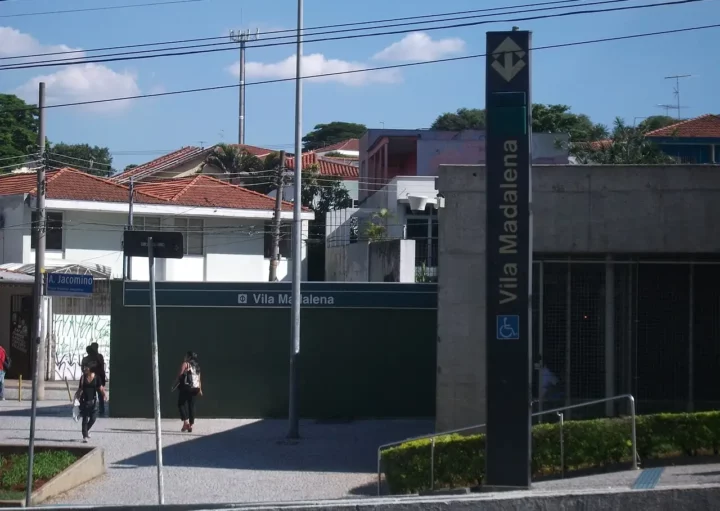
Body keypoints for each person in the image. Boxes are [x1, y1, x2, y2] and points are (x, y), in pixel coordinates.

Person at [75, 364, 106, 443]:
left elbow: (100, 388)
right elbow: (80, 389)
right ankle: (85, 435)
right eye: (85, 367)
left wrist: (104, 394)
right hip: (84, 401)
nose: (85, 369)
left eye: (87, 367)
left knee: (93, 418)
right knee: (85, 419)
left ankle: (85, 430)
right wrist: (76, 398)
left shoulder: (97, 378)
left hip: (93, 401)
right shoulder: (83, 378)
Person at [176, 351, 202, 432]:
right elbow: (199, 379)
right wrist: (200, 390)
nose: (185, 357)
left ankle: (186, 422)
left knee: (181, 404)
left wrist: (176, 383)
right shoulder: (197, 367)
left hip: (187, 387)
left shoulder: (185, 364)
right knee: (191, 406)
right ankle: (191, 425)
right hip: (196, 388)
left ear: (189, 357)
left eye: (186, 355)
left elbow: (180, 375)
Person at [90, 343, 107, 415]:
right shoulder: (100, 357)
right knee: (99, 396)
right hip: (97, 379)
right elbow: (102, 369)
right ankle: (101, 410)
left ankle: (94, 410)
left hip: (93, 379)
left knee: (93, 396)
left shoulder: (90, 357)